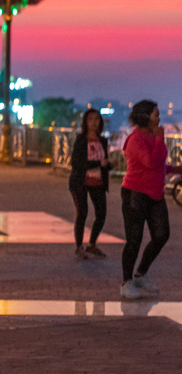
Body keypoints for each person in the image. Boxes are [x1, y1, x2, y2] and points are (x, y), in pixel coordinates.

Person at [119, 100, 182, 300]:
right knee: (134, 239)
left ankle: (140, 274)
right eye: (156, 114)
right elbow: (150, 161)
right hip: (135, 194)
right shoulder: (136, 139)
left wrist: (175, 169)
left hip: (155, 195)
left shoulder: (152, 136)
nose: (159, 118)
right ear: (145, 116)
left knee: (161, 235)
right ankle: (126, 283)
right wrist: (160, 137)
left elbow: (158, 165)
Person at [70, 109, 110, 261]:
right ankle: (79, 246)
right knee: (82, 213)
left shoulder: (102, 141)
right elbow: (76, 163)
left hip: (97, 182)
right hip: (80, 181)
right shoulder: (81, 140)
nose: (94, 122)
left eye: (97, 119)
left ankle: (92, 244)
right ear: (85, 122)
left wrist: (108, 165)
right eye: (91, 119)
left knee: (101, 214)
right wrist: (98, 163)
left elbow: (104, 163)